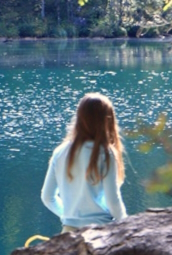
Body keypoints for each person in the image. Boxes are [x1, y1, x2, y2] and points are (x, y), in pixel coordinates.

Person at [41, 93, 127, 231]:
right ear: (107, 121)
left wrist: (69, 216)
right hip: (100, 232)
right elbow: (113, 201)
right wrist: (126, 225)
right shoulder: (105, 153)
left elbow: (47, 197)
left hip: (68, 232)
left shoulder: (60, 152)